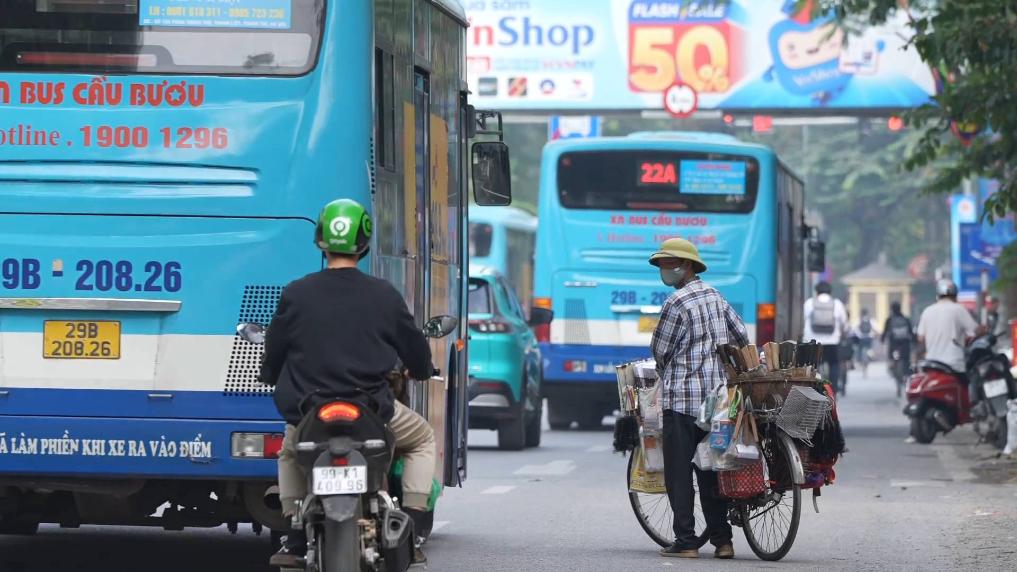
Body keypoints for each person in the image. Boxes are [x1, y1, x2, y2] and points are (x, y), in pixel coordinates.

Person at [260, 199, 437, 568]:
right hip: (369, 408)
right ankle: (412, 522)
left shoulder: (296, 293)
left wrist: (269, 375)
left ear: (321, 242)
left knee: (290, 451)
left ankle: (294, 534)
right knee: (423, 439)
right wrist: (421, 369)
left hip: (311, 410)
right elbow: (415, 349)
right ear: (364, 243)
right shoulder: (384, 295)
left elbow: (274, 352)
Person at [649, 238, 748, 560]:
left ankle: (687, 541)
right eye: (662, 264)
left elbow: (661, 350)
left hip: (682, 401)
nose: (665, 270)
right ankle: (723, 541)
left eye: (670, 263)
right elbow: (741, 336)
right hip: (717, 403)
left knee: (679, 474)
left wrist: (666, 370)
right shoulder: (716, 296)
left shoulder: (676, 302)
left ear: (688, 266)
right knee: (712, 470)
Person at [916, 279, 984, 374]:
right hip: (954, 364)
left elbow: (920, 338)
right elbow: (975, 331)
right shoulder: (959, 309)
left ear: (937, 296)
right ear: (955, 296)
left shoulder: (927, 311)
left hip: (932, 364)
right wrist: (983, 329)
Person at [803, 282, 849, 396]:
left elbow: (805, 319)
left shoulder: (809, 303)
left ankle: (813, 391)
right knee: (834, 364)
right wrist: (843, 333)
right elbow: (844, 323)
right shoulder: (837, 304)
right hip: (832, 342)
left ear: (816, 292)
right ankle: (833, 392)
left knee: (813, 366)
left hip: (813, 342)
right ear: (830, 292)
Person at [882, 302, 917, 396]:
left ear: (892, 310)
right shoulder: (906, 319)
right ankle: (906, 378)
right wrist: (914, 342)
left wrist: (882, 339)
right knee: (906, 363)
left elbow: (885, 332)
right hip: (905, 346)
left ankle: (894, 372)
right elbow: (911, 333)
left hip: (894, 346)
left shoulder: (889, 320)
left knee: (893, 361)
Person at [856, 308, 877, 376]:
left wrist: (859, 335)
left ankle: (859, 360)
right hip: (869, 338)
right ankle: (871, 357)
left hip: (861, 338)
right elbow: (875, 329)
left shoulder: (859, 320)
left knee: (860, 350)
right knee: (870, 349)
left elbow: (855, 329)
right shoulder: (871, 320)